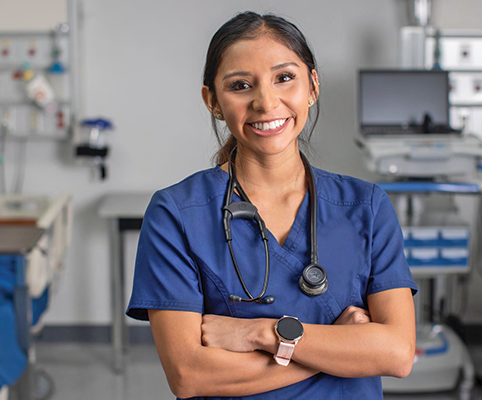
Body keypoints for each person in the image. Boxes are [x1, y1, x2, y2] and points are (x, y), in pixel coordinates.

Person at [127, 11, 417, 399]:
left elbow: (397, 354)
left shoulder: (366, 207)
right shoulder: (176, 215)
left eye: (284, 78)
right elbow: (189, 375)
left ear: (312, 86)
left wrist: (263, 333)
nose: (266, 102)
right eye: (241, 85)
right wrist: (340, 346)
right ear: (212, 101)